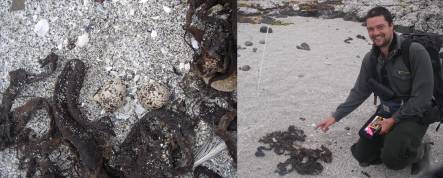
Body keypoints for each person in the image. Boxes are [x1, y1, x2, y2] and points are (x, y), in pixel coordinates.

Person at [316, 6, 434, 174]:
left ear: (391, 26)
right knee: (362, 154)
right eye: (371, 29)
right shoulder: (371, 59)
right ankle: (395, 139)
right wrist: (335, 116)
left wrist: (393, 120)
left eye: (380, 27)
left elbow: (423, 98)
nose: (375, 33)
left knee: (392, 159)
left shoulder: (414, 52)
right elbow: (359, 91)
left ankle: (421, 151)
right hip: (386, 111)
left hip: (414, 113)